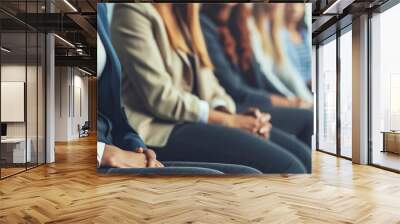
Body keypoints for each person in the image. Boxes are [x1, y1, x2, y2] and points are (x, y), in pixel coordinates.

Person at [111, 3, 307, 173]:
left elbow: (211, 84)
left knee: (301, 155)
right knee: (289, 166)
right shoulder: (133, 11)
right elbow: (161, 98)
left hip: (195, 120)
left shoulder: (185, 15)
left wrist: (235, 115)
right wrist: (229, 120)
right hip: (160, 128)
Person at [200, 4, 313, 150]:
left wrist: (290, 100)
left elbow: (259, 74)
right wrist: (287, 102)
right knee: (308, 122)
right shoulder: (205, 25)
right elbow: (235, 89)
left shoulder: (239, 22)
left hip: (248, 103)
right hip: (237, 104)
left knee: (303, 144)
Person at [251, 3, 313, 105]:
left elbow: (285, 71)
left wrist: (305, 99)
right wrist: (290, 99)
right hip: (263, 94)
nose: (294, 8)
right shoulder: (253, 25)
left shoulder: (273, 28)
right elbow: (265, 73)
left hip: (286, 92)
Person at [282, 4, 312, 87]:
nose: (294, 8)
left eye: (298, 4)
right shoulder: (278, 34)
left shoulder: (305, 34)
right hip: (290, 87)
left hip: (307, 87)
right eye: (290, 4)